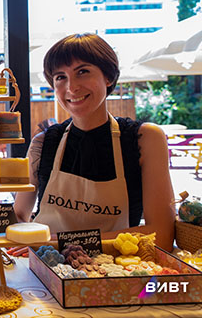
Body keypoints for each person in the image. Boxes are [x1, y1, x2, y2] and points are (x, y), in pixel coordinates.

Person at [13, 33, 175, 252]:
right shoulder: (43, 143)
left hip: (117, 268)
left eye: (83, 72)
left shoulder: (145, 139)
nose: (71, 87)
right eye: (60, 77)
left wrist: (60, 243)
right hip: (45, 266)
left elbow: (162, 235)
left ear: (108, 77)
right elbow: (19, 215)